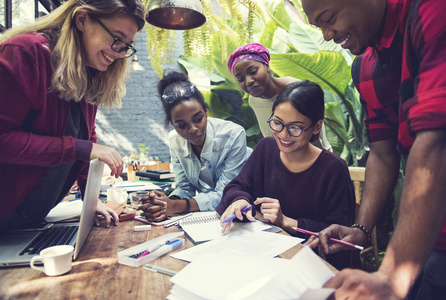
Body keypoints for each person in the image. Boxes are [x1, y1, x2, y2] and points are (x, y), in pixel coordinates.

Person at [301, 0, 446, 298]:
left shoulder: (432, 10)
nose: (327, 35)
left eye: (329, 18)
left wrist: (393, 276)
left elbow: (435, 143)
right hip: (421, 235)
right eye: (318, 27)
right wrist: (361, 229)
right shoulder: (364, 68)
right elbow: (382, 153)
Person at [0, 0, 146, 230]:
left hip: (27, 224)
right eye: (116, 39)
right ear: (82, 19)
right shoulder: (26, 53)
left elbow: (87, 135)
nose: (119, 54)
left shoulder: (88, 71)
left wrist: (91, 200)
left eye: (126, 46)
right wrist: (82, 149)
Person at [216, 80, 356, 270]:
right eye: (277, 123)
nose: (283, 134)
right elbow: (237, 186)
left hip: (310, 267)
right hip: (263, 258)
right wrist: (239, 200)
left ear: (316, 127)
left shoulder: (333, 169)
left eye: (295, 127)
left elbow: (340, 237)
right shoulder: (266, 148)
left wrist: (287, 222)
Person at [139, 71, 251, 222]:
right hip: (212, 218)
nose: (192, 129)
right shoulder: (175, 140)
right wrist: (162, 203)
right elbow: (185, 187)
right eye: (181, 125)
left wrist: (176, 206)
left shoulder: (233, 135)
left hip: (247, 210)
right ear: (172, 124)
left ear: (206, 112)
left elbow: (226, 194)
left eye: (198, 119)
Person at [227, 42, 332, 151]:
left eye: (253, 72)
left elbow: (319, 138)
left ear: (267, 66)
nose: (248, 81)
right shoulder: (254, 100)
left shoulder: (298, 91)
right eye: (240, 79)